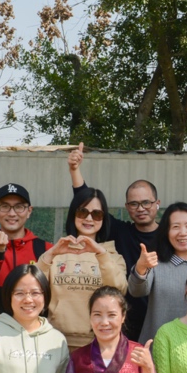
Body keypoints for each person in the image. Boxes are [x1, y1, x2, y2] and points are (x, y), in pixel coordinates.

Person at [67, 142, 160, 340]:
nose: (140, 208)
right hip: (121, 323)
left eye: (146, 202)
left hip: (158, 321)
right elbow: (89, 207)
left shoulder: (170, 236)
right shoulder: (120, 232)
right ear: (127, 207)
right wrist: (75, 170)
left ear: (157, 204)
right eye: (134, 204)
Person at [35, 187, 127, 349]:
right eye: (82, 212)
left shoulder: (112, 256)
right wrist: (50, 254)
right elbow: (33, 286)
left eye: (96, 214)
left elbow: (119, 290)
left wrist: (101, 254)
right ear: (73, 215)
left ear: (104, 219)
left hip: (98, 343)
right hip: (55, 341)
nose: (89, 218)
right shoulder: (56, 253)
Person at [127, 202, 187, 343]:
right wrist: (140, 267)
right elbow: (136, 291)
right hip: (156, 345)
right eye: (176, 227)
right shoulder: (155, 263)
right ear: (166, 232)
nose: (183, 233)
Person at [0, 183, 51, 320]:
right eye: (5, 206)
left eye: (19, 207)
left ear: (29, 211)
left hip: (35, 329)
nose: (12, 213)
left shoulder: (46, 250)